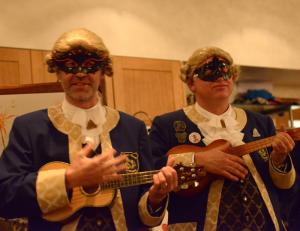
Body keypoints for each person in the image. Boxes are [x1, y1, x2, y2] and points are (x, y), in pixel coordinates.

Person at [0, 28, 177, 231]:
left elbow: (144, 206)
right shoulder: (29, 128)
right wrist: (68, 180)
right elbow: (5, 197)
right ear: (57, 72)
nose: (81, 74)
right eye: (70, 66)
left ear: (103, 72)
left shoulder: (133, 128)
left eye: (91, 66)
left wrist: (155, 198)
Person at [149, 46, 296, 230]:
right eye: (209, 71)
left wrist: (278, 160)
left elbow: (285, 187)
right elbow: (151, 172)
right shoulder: (167, 125)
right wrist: (198, 160)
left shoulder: (261, 123)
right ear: (191, 83)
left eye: (226, 71)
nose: (220, 77)